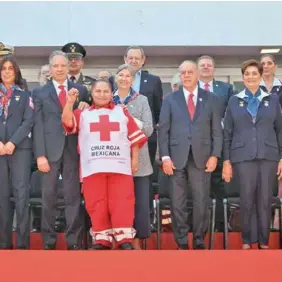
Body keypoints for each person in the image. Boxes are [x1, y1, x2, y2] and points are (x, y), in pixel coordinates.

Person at [62, 79, 148, 250]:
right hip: (92, 167)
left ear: (111, 94)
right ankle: (102, 239)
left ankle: (124, 240)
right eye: (98, 91)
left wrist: (135, 159)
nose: (102, 95)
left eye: (105, 91)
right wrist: (69, 103)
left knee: (122, 201)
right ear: (92, 94)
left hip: (120, 166)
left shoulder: (121, 112)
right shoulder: (82, 113)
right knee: (96, 202)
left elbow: (135, 137)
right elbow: (67, 123)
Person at [158, 60, 222, 249]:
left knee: (201, 198)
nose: (186, 76)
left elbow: (217, 131)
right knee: (178, 201)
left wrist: (215, 155)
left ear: (197, 75)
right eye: (183, 72)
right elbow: (163, 130)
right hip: (176, 157)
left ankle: (200, 239)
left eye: (189, 72)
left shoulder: (211, 99)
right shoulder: (170, 99)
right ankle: (182, 240)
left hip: (202, 157)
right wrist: (165, 157)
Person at [222, 59, 282, 250]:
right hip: (242, 157)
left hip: (268, 155)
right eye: (247, 74)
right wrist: (226, 161)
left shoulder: (272, 99)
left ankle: (263, 241)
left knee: (265, 200)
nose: (251, 77)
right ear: (243, 77)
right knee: (247, 199)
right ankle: (247, 240)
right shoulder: (234, 100)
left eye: (254, 73)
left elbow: (280, 130)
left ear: (260, 75)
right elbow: (227, 133)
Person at [33, 50, 89, 250]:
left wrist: (84, 105)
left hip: (73, 149)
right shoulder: (39, 92)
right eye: (55, 66)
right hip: (49, 151)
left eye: (62, 66)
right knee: (48, 197)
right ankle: (48, 241)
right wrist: (40, 155)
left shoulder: (81, 89)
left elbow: (87, 119)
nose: (59, 69)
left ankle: (73, 241)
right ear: (50, 68)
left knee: (73, 197)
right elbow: (37, 125)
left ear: (68, 68)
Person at [0, 56, 34, 249]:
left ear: (16, 72)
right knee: (2, 196)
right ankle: (5, 243)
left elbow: (28, 121)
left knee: (22, 196)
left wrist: (12, 142)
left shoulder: (26, 95)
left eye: (11, 68)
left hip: (19, 150)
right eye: (3, 68)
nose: (6, 72)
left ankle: (22, 244)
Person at [112, 64, 154, 249]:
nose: (124, 78)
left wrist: (128, 117)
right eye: (120, 75)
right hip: (113, 159)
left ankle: (136, 240)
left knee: (140, 202)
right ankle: (115, 238)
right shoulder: (106, 98)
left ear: (133, 79)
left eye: (128, 75)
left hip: (140, 161)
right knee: (116, 202)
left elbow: (148, 129)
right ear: (116, 78)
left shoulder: (142, 100)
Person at [197, 55, 235, 232]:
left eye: (209, 65)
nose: (205, 67)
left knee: (219, 185)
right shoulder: (189, 89)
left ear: (214, 69)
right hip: (196, 145)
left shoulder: (226, 88)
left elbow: (231, 114)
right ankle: (199, 225)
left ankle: (220, 225)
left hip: (218, 143)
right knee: (198, 187)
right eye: (202, 65)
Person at [260, 54, 282, 229]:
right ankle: (262, 226)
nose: (266, 66)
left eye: (269, 63)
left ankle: (277, 224)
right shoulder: (251, 88)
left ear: (275, 66)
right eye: (263, 64)